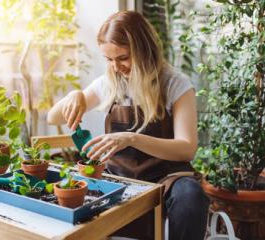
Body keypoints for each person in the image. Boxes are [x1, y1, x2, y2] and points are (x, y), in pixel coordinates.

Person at [47, 10, 209, 240]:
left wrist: (131, 138)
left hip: (166, 177)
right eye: (109, 59)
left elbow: (187, 147)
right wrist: (75, 95)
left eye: (123, 58)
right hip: (118, 175)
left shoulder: (175, 84)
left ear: (144, 50)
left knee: (191, 197)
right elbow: (53, 118)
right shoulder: (110, 83)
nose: (116, 67)